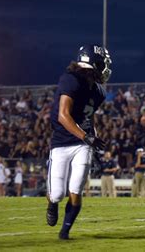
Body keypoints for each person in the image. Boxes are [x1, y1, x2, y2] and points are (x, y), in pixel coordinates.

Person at [46, 45, 111, 240]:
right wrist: (86, 136)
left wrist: (93, 144)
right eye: (102, 63)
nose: (105, 67)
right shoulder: (70, 79)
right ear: (93, 63)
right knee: (57, 193)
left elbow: (89, 118)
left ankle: (65, 232)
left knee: (76, 188)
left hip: (83, 143)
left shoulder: (98, 91)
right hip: (62, 141)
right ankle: (52, 204)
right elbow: (63, 116)